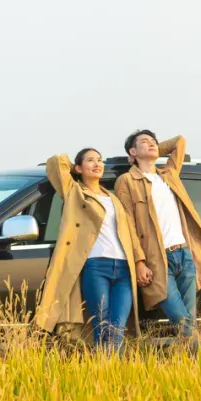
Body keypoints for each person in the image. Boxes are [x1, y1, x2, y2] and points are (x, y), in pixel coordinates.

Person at [33, 148, 150, 352]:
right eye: (90, 161)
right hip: (96, 266)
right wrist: (73, 169)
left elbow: (130, 232)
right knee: (102, 325)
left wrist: (139, 262)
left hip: (124, 268)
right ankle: (106, 371)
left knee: (118, 327)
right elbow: (55, 163)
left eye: (99, 160)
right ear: (78, 168)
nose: (97, 164)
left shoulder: (113, 198)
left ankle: (111, 372)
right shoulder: (74, 192)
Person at [114, 131, 201, 342]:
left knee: (190, 320)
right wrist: (140, 261)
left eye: (154, 142)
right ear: (132, 152)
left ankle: (190, 368)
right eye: (144, 142)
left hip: (184, 254)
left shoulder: (169, 175)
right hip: (157, 259)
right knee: (181, 319)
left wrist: (150, 150)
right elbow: (128, 225)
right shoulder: (127, 181)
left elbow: (180, 142)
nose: (152, 144)